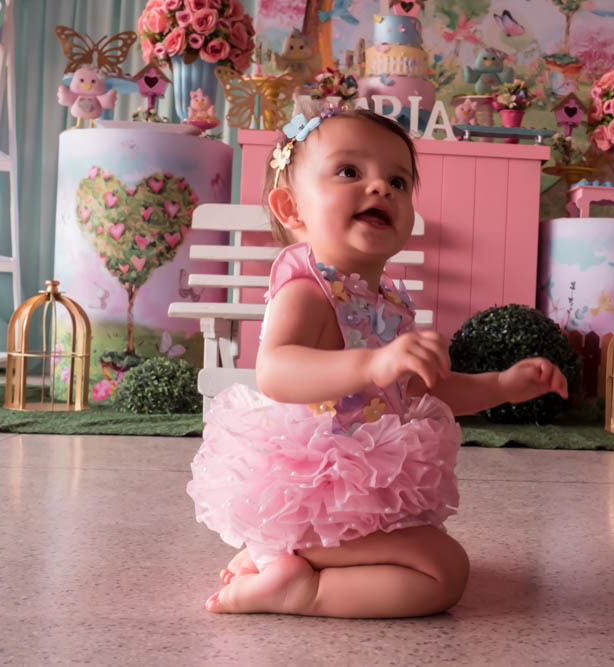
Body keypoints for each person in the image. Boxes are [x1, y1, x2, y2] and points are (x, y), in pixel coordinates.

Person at [187, 108, 569, 618]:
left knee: (432, 552)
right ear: (291, 208)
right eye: (349, 171)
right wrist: (373, 364)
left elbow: (419, 390)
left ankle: (276, 555)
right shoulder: (306, 290)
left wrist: (500, 386)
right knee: (443, 571)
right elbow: (275, 372)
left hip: (355, 483)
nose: (380, 187)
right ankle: (297, 585)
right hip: (314, 485)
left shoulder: (384, 302)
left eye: (398, 181)